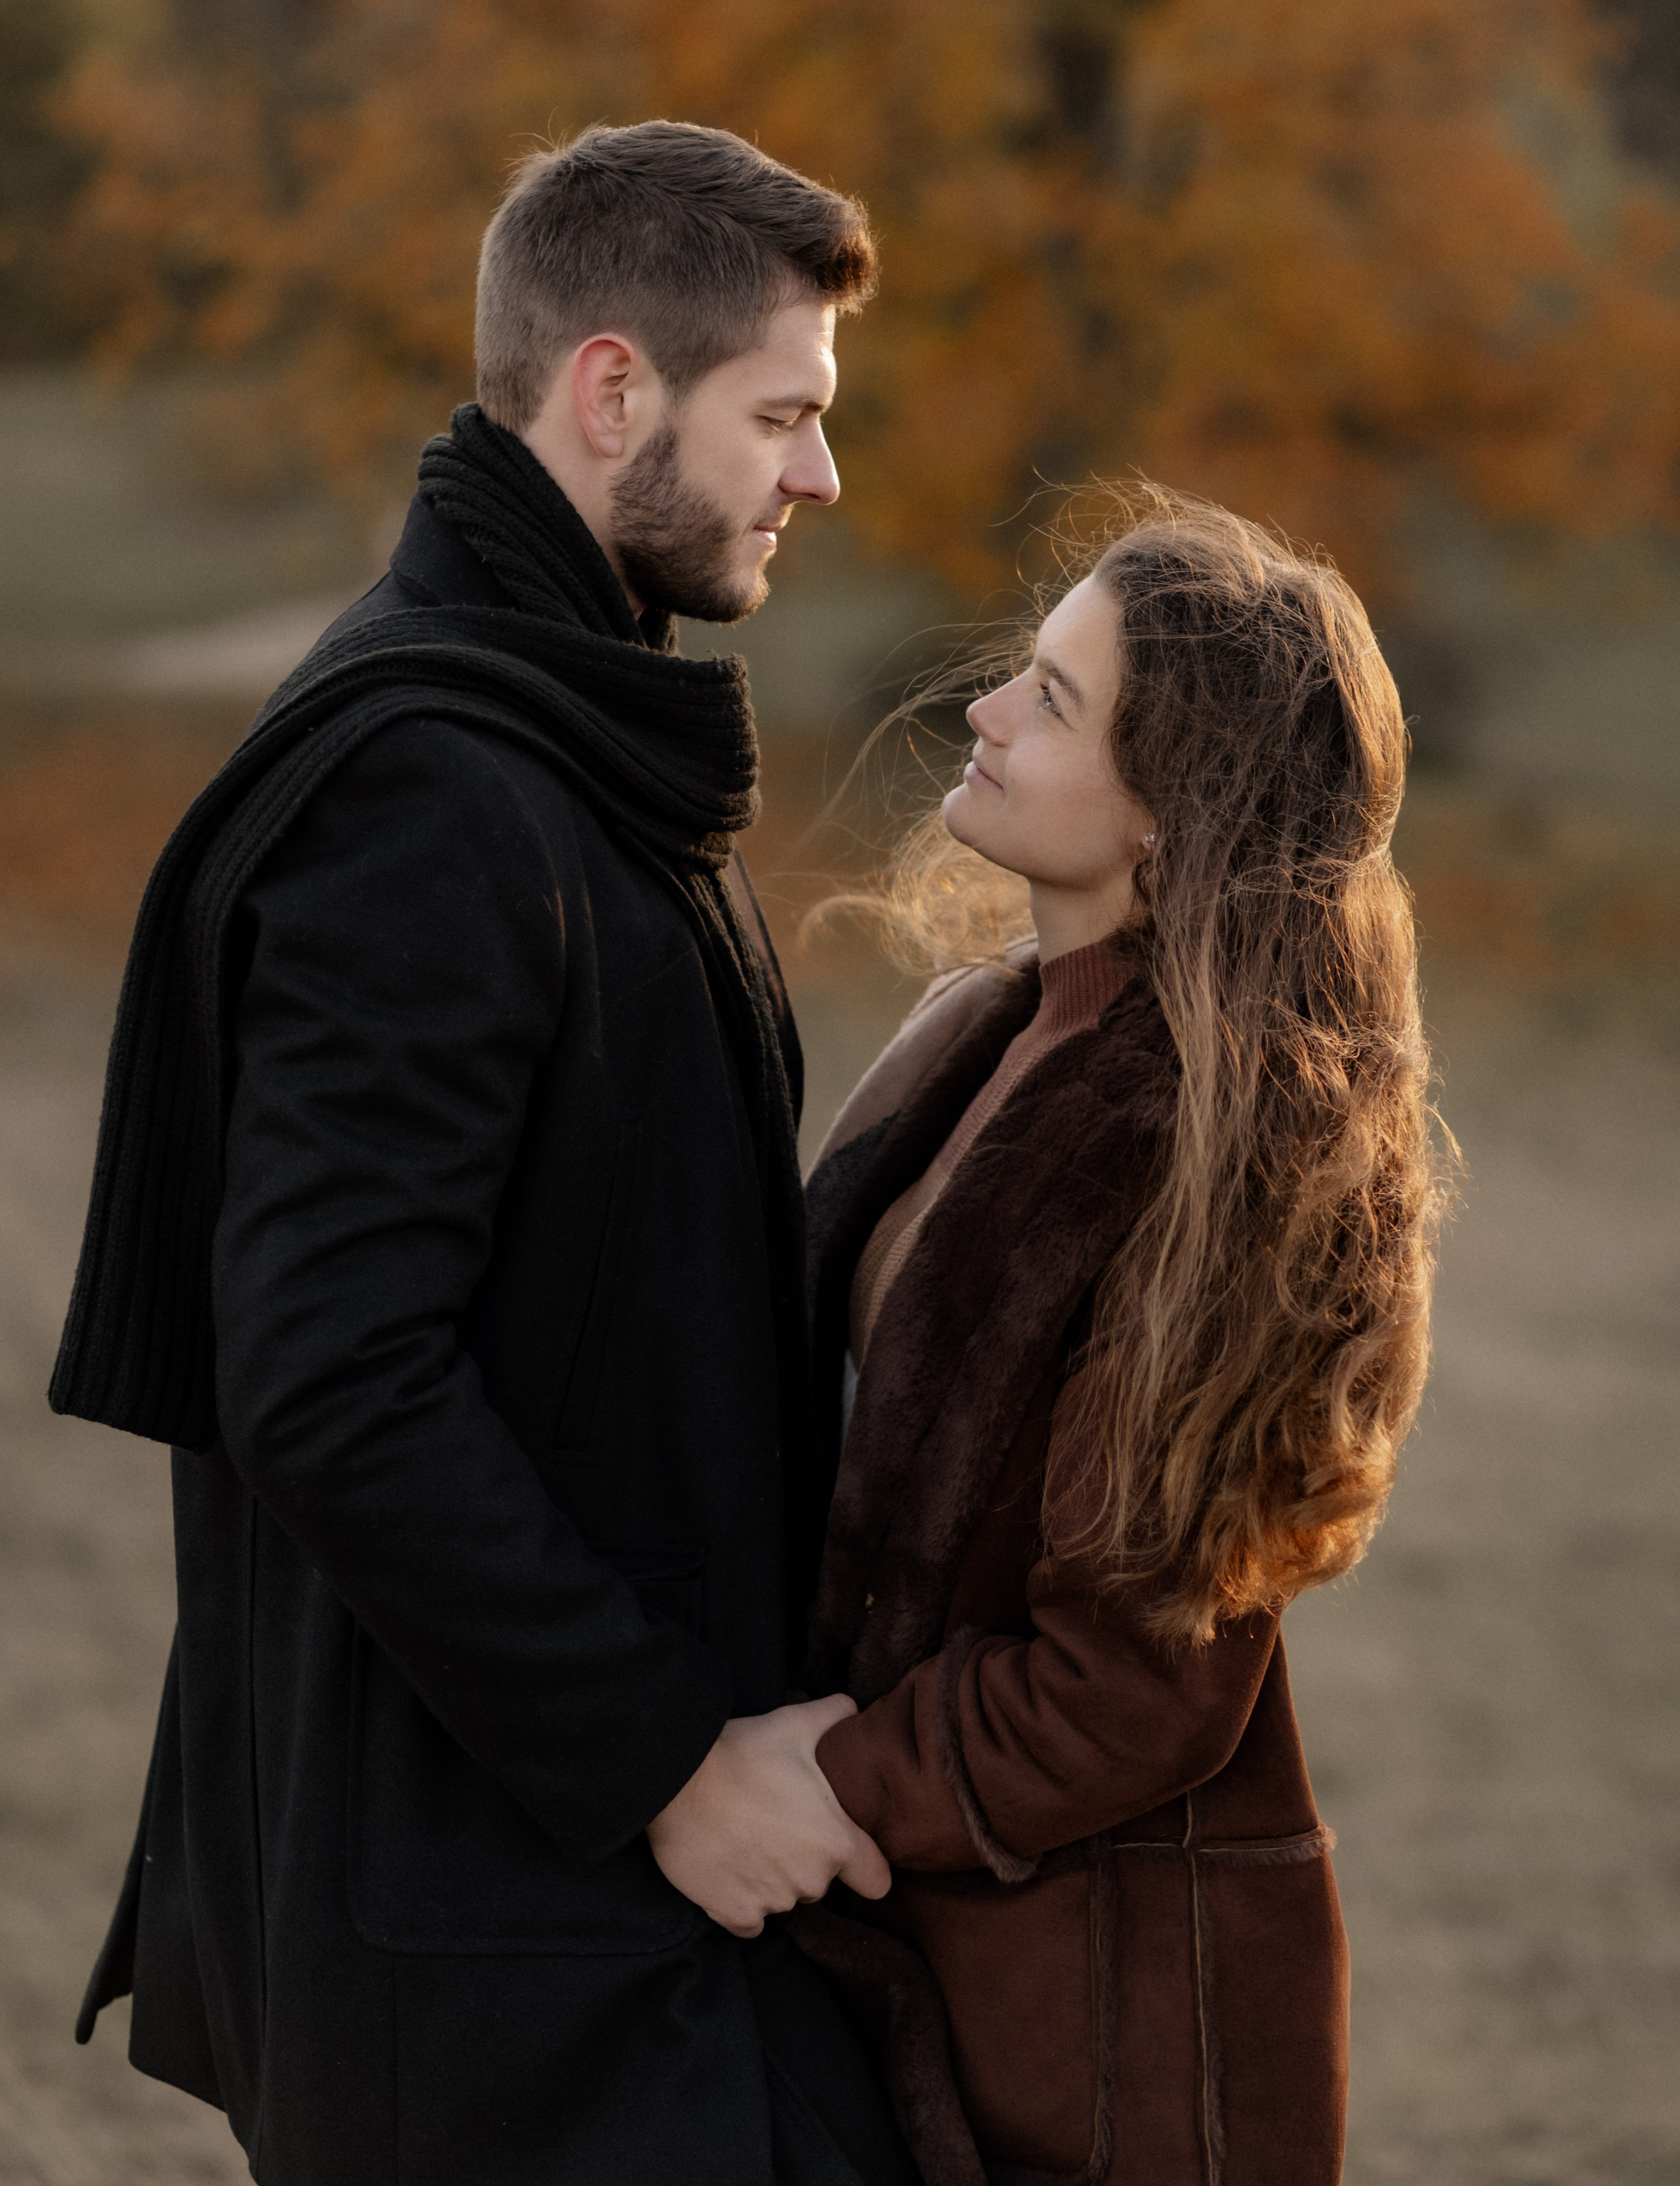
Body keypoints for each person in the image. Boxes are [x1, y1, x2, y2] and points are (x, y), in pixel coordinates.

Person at [53, 121, 921, 2186]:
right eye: (781, 416)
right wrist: (661, 1768)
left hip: (565, 1905)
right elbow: (330, 1371)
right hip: (491, 1925)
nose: (820, 477)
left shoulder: (570, 727)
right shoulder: (433, 791)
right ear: (611, 386)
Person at [791, 497, 1448, 2186]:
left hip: (1093, 2020)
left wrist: (825, 1782)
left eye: (1052, 702)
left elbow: (1134, 1689)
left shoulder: (1224, 1160)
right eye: (1023, 669)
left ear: (1170, 823)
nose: (983, 712)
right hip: (900, 1935)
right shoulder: (985, 1024)